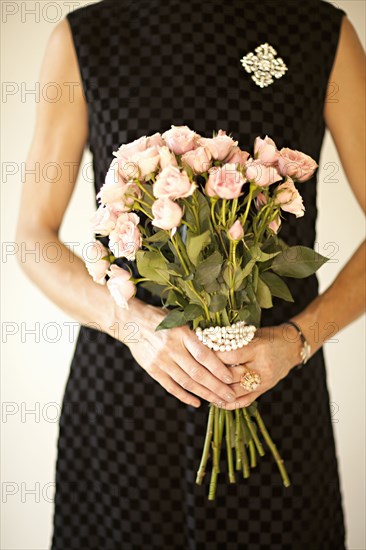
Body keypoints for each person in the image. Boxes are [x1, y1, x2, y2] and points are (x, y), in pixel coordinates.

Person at [16, 0, 365, 548]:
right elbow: (32, 238)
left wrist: (298, 341)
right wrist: (129, 324)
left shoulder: (323, 33)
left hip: (274, 386)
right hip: (124, 398)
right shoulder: (84, 38)